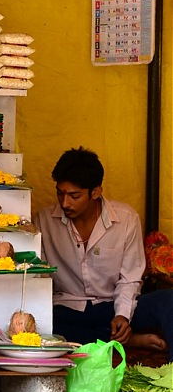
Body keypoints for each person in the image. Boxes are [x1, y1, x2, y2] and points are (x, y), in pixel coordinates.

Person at [34, 147, 173, 360]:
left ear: (96, 192)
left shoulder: (126, 219)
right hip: (69, 310)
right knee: (41, 326)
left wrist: (122, 315)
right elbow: (40, 278)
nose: (64, 203)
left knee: (168, 300)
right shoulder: (44, 220)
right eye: (60, 193)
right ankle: (126, 340)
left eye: (74, 195)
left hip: (114, 307)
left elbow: (130, 279)